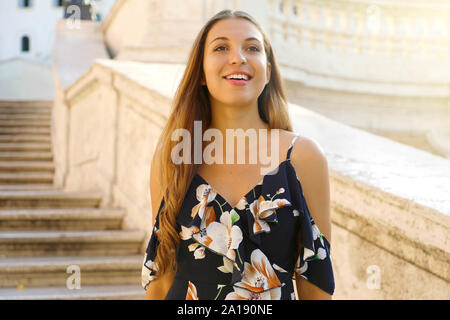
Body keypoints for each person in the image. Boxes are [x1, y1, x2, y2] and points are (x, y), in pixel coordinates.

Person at [142, 9, 335, 300]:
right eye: (221, 47)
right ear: (202, 73)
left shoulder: (303, 158)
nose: (238, 58)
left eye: (252, 48)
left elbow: (316, 284)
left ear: (268, 71)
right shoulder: (173, 157)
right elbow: (161, 278)